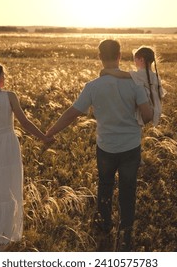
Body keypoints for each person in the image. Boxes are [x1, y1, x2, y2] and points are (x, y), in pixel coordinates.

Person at [46, 39, 153, 251]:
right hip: (131, 146)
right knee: (128, 189)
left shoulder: (92, 87)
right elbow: (148, 116)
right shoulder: (135, 83)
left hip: (106, 147)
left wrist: (50, 132)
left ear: (99, 57)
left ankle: (104, 224)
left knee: (104, 185)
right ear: (120, 56)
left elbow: (72, 113)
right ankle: (126, 231)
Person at [0, 62, 53, 251]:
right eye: (3, 75)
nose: (4, 78)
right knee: (11, 187)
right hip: (8, 143)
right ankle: (4, 237)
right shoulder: (9, 96)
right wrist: (44, 138)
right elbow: (24, 123)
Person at [101, 46, 166, 126]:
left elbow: (123, 75)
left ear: (141, 60)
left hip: (146, 107)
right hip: (156, 108)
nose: (135, 63)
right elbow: (161, 94)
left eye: (135, 60)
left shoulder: (141, 74)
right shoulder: (155, 75)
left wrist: (107, 71)